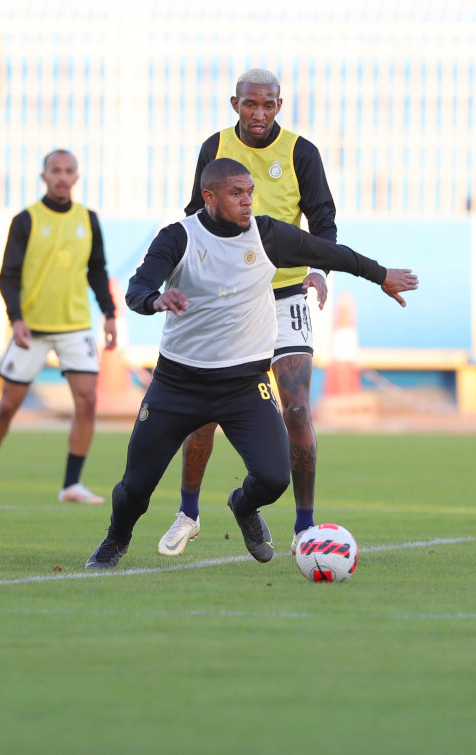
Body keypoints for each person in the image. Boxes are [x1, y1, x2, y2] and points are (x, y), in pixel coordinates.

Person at [86, 158, 418, 569]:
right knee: (135, 487)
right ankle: (116, 540)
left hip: (243, 384)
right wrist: (155, 300)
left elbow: (330, 251)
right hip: (178, 383)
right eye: (236, 194)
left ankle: (242, 505)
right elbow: (138, 286)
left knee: (275, 477)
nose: (247, 202)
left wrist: (381, 274)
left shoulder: (267, 235)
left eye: (249, 193)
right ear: (208, 197)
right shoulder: (178, 237)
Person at [157, 68, 338, 558]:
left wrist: (321, 270)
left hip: (284, 294)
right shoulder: (214, 147)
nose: (259, 114)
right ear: (234, 103)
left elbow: (323, 220)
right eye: (250, 105)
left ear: (279, 105)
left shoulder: (302, 152)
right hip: (229, 300)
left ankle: (304, 526)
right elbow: (196, 216)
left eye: (268, 105)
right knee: (203, 414)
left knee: (296, 407)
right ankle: (188, 514)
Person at [0, 150, 118, 505]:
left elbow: (97, 270)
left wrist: (110, 313)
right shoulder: (26, 220)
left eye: (68, 171)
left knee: (87, 402)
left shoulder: (88, 219)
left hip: (75, 326)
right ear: (43, 176)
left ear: (76, 177)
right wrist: (17, 320)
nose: (61, 176)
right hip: (33, 329)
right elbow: (7, 276)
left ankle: (72, 484)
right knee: (9, 405)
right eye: (55, 170)